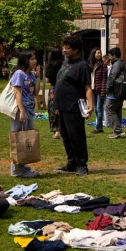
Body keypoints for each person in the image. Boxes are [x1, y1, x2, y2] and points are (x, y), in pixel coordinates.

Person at [54, 35, 93, 176]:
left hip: (74, 106)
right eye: (63, 47)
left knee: (76, 136)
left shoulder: (82, 66)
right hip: (62, 106)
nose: (64, 50)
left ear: (76, 50)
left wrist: (91, 105)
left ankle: (82, 164)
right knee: (65, 135)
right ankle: (71, 163)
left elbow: (88, 88)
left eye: (68, 48)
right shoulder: (66, 62)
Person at [9, 51, 40, 179]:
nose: (35, 61)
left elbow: (36, 93)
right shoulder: (19, 74)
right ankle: (16, 170)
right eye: (31, 59)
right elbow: (17, 93)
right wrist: (21, 110)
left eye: (35, 59)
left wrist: (38, 77)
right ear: (25, 60)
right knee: (18, 137)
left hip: (30, 109)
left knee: (25, 138)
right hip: (20, 110)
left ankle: (23, 166)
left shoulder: (31, 75)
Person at [104, 47, 126, 139]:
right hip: (120, 91)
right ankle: (117, 132)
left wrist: (107, 88)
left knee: (109, 109)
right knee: (117, 110)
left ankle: (117, 131)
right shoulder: (121, 63)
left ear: (114, 55)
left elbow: (112, 77)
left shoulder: (116, 64)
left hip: (115, 91)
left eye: (110, 56)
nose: (109, 58)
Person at [89, 48, 109, 134]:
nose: (99, 54)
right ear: (93, 54)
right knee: (96, 109)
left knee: (99, 108)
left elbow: (104, 80)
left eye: (100, 53)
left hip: (99, 89)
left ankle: (98, 127)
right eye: (97, 53)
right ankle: (99, 127)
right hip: (93, 89)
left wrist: (103, 92)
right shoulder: (90, 65)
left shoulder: (103, 65)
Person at [45, 49, 64, 139]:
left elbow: (47, 80)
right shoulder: (64, 65)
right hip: (62, 88)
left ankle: (54, 130)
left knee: (52, 109)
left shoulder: (49, 66)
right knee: (60, 109)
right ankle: (60, 130)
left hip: (52, 89)